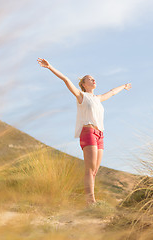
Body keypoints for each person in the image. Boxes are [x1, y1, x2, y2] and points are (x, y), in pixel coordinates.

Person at [37, 58, 132, 206]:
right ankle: (90, 200)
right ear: (83, 84)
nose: (93, 80)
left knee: (95, 171)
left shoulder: (98, 98)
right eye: (90, 79)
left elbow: (112, 92)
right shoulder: (81, 96)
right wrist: (50, 67)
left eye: (94, 79)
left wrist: (124, 86)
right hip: (88, 132)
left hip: (100, 134)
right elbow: (66, 80)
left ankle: (90, 199)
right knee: (90, 168)